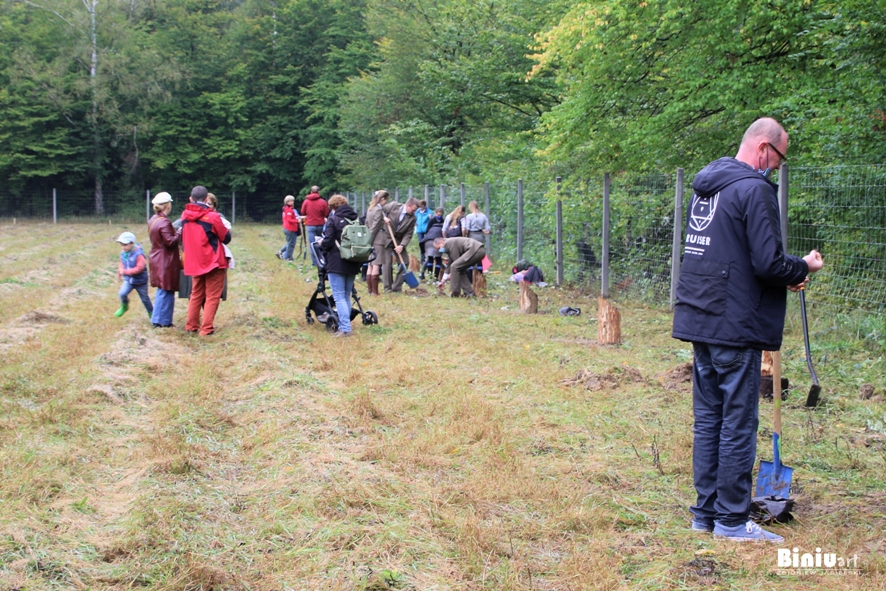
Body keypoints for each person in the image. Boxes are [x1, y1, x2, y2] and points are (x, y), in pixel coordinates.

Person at [672, 117, 823, 543]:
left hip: (701, 318)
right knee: (737, 422)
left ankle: (705, 515)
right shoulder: (754, 189)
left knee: (709, 420)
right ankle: (733, 522)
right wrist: (803, 267)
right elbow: (767, 263)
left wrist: (783, 273)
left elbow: (734, 254)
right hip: (733, 324)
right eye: (778, 158)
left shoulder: (709, 186)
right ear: (762, 149)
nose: (776, 167)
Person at [181, 185, 231, 336]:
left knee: (196, 294)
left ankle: (191, 326)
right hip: (213, 261)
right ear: (207, 199)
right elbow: (226, 238)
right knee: (212, 295)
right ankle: (206, 328)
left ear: (191, 199)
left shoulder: (184, 216)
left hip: (194, 261)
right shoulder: (213, 217)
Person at [320, 194, 362, 337]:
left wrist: (321, 243)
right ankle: (346, 325)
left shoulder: (334, 219)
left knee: (338, 297)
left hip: (337, 262)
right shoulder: (356, 219)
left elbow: (328, 241)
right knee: (346, 295)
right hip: (354, 260)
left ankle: (345, 328)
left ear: (333, 207)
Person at [147, 192, 181, 328]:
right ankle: (162, 321)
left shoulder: (153, 219)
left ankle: (159, 319)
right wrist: (180, 231)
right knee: (166, 290)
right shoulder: (164, 222)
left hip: (157, 257)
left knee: (163, 289)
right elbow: (170, 242)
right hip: (165, 260)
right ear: (167, 205)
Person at [382, 196, 419, 292]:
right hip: (386, 237)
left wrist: (402, 245)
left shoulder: (412, 218)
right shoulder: (394, 206)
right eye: (413, 210)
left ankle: (396, 287)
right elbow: (379, 209)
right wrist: (384, 217)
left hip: (398, 241)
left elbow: (408, 234)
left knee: (405, 262)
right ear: (407, 205)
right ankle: (387, 288)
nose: (414, 212)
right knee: (387, 263)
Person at [114, 231, 154, 318]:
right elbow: (122, 263)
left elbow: (140, 268)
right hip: (129, 281)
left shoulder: (139, 254)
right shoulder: (123, 253)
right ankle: (124, 306)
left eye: (125, 245)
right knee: (122, 293)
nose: (123, 247)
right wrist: (119, 272)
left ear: (132, 243)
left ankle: (152, 314)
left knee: (145, 299)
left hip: (140, 281)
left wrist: (125, 272)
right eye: (121, 245)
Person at [364, 190, 390, 295]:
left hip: (370, 239)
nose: (386, 203)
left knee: (370, 264)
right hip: (377, 240)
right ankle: (375, 292)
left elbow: (366, 224)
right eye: (386, 200)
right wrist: (370, 240)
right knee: (376, 265)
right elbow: (374, 227)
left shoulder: (370, 209)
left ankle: (370, 290)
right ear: (382, 199)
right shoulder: (378, 210)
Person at [300, 185, 329, 268]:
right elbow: (326, 213)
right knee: (321, 243)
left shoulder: (306, 202)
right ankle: (322, 260)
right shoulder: (323, 202)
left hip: (310, 225)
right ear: (318, 192)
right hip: (320, 224)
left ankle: (314, 263)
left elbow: (303, 212)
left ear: (311, 192)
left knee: (312, 244)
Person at [420, 207, 445, 279]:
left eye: (440, 214)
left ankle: (431, 276)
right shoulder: (432, 220)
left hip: (435, 241)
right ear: (435, 213)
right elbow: (427, 230)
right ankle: (431, 276)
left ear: (442, 214)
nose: (439, 216)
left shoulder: (443, 220)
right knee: (432, 258)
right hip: (432, 240)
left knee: (435, 258)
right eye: (438, 214)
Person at [277, 195, 300, 261]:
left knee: (289, 243)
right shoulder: (289, 210)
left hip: (287, 228)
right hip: (290, 228)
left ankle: (281, 252)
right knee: (290, 244)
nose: (292, 202)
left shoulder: (285, 209)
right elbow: (289, 220)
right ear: (287, 202)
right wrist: (297, 220)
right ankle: (288, 257)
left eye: (293, 201)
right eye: (291, 201)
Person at [414, 199, 431, 269]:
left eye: (421, 206)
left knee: (427, 243)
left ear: (424, 206)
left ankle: (428, 256)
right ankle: (422, 258)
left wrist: (430, 218)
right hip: (419, 230)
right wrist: (414, 222)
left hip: (426, 230)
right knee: (421, 243)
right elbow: (413, 218)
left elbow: (431, 219)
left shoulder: (429, 212)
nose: (420, 208)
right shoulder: (417, 212)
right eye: (419, 206)